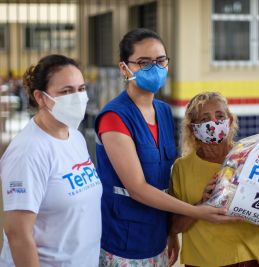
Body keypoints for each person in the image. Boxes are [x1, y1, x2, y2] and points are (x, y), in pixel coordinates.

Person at [95, 29, 236, 267]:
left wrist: (171, 232)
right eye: (144, 62)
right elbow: (137, 188)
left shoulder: (162, 111)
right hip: (124, 240)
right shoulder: (114, 117)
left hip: (157, 235)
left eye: (160, 61)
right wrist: (197, 211)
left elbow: (164, 178)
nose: (155, 68)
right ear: (124, 68)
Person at [169, 92, 259, 267]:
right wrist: (201, 204)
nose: (213, 123)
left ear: (229, 121)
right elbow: (173, 227)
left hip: (250, 260)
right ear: (193, 128)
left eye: (220, 116)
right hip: (201, 262)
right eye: (205, 119)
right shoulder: (181, 168)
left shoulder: (250, 158)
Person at [0, 54, 102, 267]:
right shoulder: (28, 152)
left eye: (81, 89)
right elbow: (17, 233)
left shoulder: (74, 136)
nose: (77, 97)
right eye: (66, 91)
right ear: (40, 97)